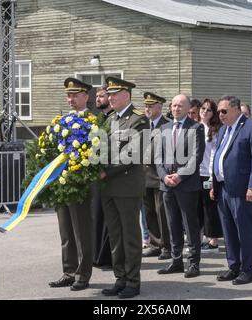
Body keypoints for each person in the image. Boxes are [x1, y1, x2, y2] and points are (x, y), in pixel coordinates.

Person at [100, 77, 149, 299]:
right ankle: (120, 278)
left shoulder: (138, 120)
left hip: (127, 186)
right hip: (109, 186)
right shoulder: (110, 118)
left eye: (114, 94)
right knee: (115, 236)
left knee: (130, 236)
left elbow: (132, 153)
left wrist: (105, 171)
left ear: (126, 95)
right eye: (108, 94)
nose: (110, 97)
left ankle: (133, 281)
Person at [210, 95, 252, 285]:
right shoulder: (224, 128)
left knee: (244, 231)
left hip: (242, 189)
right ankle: (233, 266)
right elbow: (219, 156)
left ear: (236, 109)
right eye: (218, 111)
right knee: (228, 231)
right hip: (223, 187)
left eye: (224, 111)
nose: (220, 114)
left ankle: (247, 270)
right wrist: (214, 182)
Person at [49, 78, 94, 291]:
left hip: (81, 185)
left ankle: (83, 274)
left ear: (86, 96)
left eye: (75, 95)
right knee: (66, 231)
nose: (71, 99)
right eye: (69, 95)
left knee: (81, 231)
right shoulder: (62, 121)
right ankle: (69, 271)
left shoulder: (95, 121)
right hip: (62, 183)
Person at [156, 94, 205, 278]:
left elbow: (196, 157)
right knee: (172, 224)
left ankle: (193, 263)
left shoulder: (196, 127)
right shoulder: (164, 128)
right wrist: (164, 177)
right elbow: (158, 158)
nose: (176, 108)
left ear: (188, 108)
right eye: (174, 105)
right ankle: (176, 261)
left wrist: (179, 175)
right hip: (167, 185)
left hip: (186, 185)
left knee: (189, 224)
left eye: (180, 105)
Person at [142, 92, 171, 260]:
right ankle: (154, 244)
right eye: (146, 106)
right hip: (144, 176)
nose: (148, 109)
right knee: (149, 213)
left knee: (162, 213)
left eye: (151, 106)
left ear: (160, 107)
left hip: (159, 175)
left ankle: (167, 246)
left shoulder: (166, 125)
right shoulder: (143, 125)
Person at [91, 84, 113, 269]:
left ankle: (110, 256)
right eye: (97, 96)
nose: (98, 99)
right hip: (97, 175)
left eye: (101, 96)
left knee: (111, 220)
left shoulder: (115, 119)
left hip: (113, 175)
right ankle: (98, 254)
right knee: (97, 216)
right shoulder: (97, 118)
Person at [198, 99, 223, 252]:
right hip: (195, 174)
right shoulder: (195, 127)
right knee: (197, 208)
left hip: (208, 174)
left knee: (210, 207)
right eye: (203, 108)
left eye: (208, 109)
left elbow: (214, 154)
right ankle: (199, 238)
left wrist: (212, 176)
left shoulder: (215, 130)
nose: (204, 111)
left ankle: (213, 240)